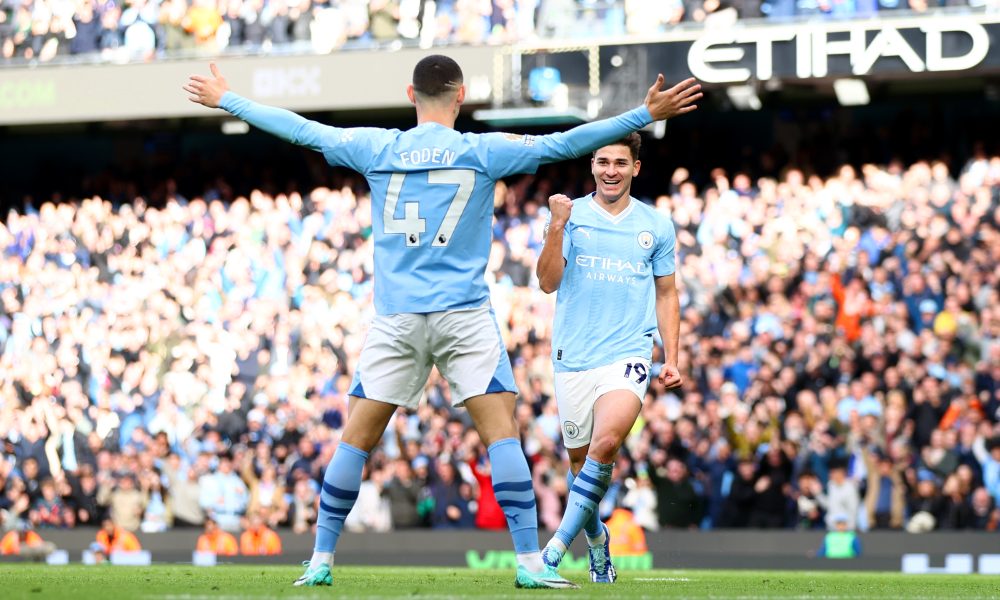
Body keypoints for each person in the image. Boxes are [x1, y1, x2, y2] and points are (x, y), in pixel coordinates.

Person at [184, 54, 700, 589]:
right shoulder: (482, 151)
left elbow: (302, 130)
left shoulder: (377, 147)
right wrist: (641, 114)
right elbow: (565, 142)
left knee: (355, 440)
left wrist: (228, 99)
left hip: (397, 317)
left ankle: (320, 559)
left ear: (412, 94)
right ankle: (529, 563)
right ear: (461, 96)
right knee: (502, 436)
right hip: (464, 316)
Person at [535, 132, 684, 583]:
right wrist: (557, 227)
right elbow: (546, 282)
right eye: (603, 162)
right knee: (582, 469)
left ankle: (551, 555)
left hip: (628, 353)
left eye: (621, 162)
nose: (611, 170)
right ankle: (598, 544)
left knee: (606, 446)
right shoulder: (569, 214)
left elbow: (667, 293)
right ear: (593, 166)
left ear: (636, 168)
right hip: (573, 357)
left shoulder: (656, 224)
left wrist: (671, 357)